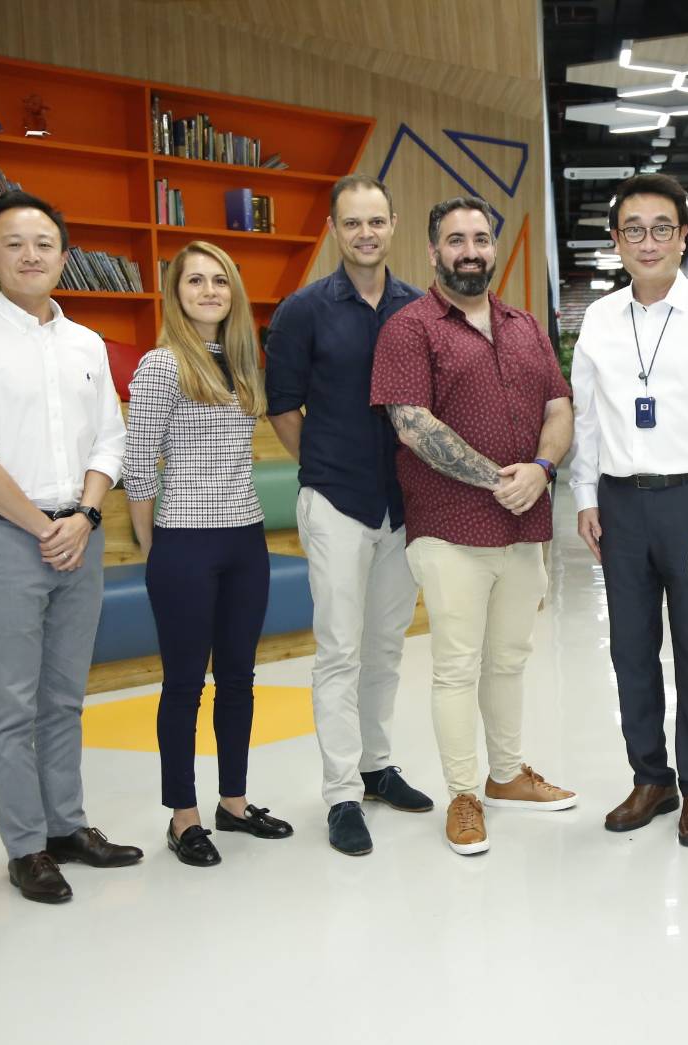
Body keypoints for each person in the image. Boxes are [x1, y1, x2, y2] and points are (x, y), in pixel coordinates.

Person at [0, 190, 142, 903]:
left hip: (81, 534)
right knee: (12, 704)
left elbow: (110, 438)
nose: (30, 254)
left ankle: (66, 825)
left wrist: (84, 514)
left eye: (43, 243)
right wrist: (46, 527)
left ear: (63, 255)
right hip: (9, 539)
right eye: (12, 243)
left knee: (65, 697)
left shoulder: (87, 344)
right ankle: (26, 847)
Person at [370, 195, 577, 856]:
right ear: (433, 251)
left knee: (509, 659)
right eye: (455, 240)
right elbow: (411, 423)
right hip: (449, 526)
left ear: (493, 247)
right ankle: (463, 794)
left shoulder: (525, 326)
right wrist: (500, 479)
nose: (469, 251)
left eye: (480, 238)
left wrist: (540, 469)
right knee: (457, 665)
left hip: (523, 527)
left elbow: (559, 405)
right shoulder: (410, 327)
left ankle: (506, 774)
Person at [571, 173, 688, 848]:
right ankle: (650, 777)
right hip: (620, 505)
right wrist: (586, 496)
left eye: (661, 228)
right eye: (633, 229)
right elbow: (586, 419)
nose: (647, 242)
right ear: (616, 239)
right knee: (629, 649)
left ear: (683, 237)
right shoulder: (599, 319)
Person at [265, 175, 431, 857]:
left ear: (393, 226)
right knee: (339, 648)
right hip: (335, 500)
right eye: (352, 222)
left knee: (386, 644)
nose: (366, 233)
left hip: (403, 504)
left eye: (376, 221)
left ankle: (375, 766)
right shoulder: (302, 310)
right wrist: (328, 463)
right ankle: (340, 793)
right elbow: (283, 407)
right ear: (334, 229)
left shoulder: (418, 308)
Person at [124, 241, 292, 867]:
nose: (209, 291)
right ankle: (183, 817)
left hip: (245, 537)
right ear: (176, 294)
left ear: (234, 293)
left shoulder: (244, 362)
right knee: (184, 685)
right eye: (195, 280)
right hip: (184, 540)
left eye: (220, 280)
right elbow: (138, 466)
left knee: (240, 679)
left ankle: (234, 804)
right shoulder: (161, 365)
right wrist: (154, 548)